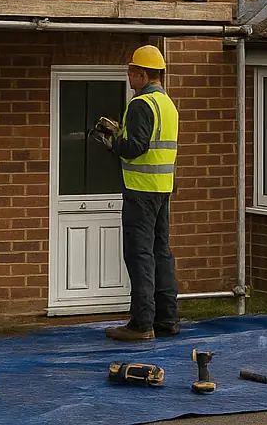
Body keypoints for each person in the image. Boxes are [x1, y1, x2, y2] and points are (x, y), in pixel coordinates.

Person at [90, 45, 179, 341]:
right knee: (161, 253)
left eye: (131, 72)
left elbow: (135, 147)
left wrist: (112, 142)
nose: (129, 77)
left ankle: (141, 324)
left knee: (139, 255)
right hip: (162, 190)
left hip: (140, 193)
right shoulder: (167, 105)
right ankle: (167, 320)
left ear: (143, 74)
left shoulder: (141, 104)